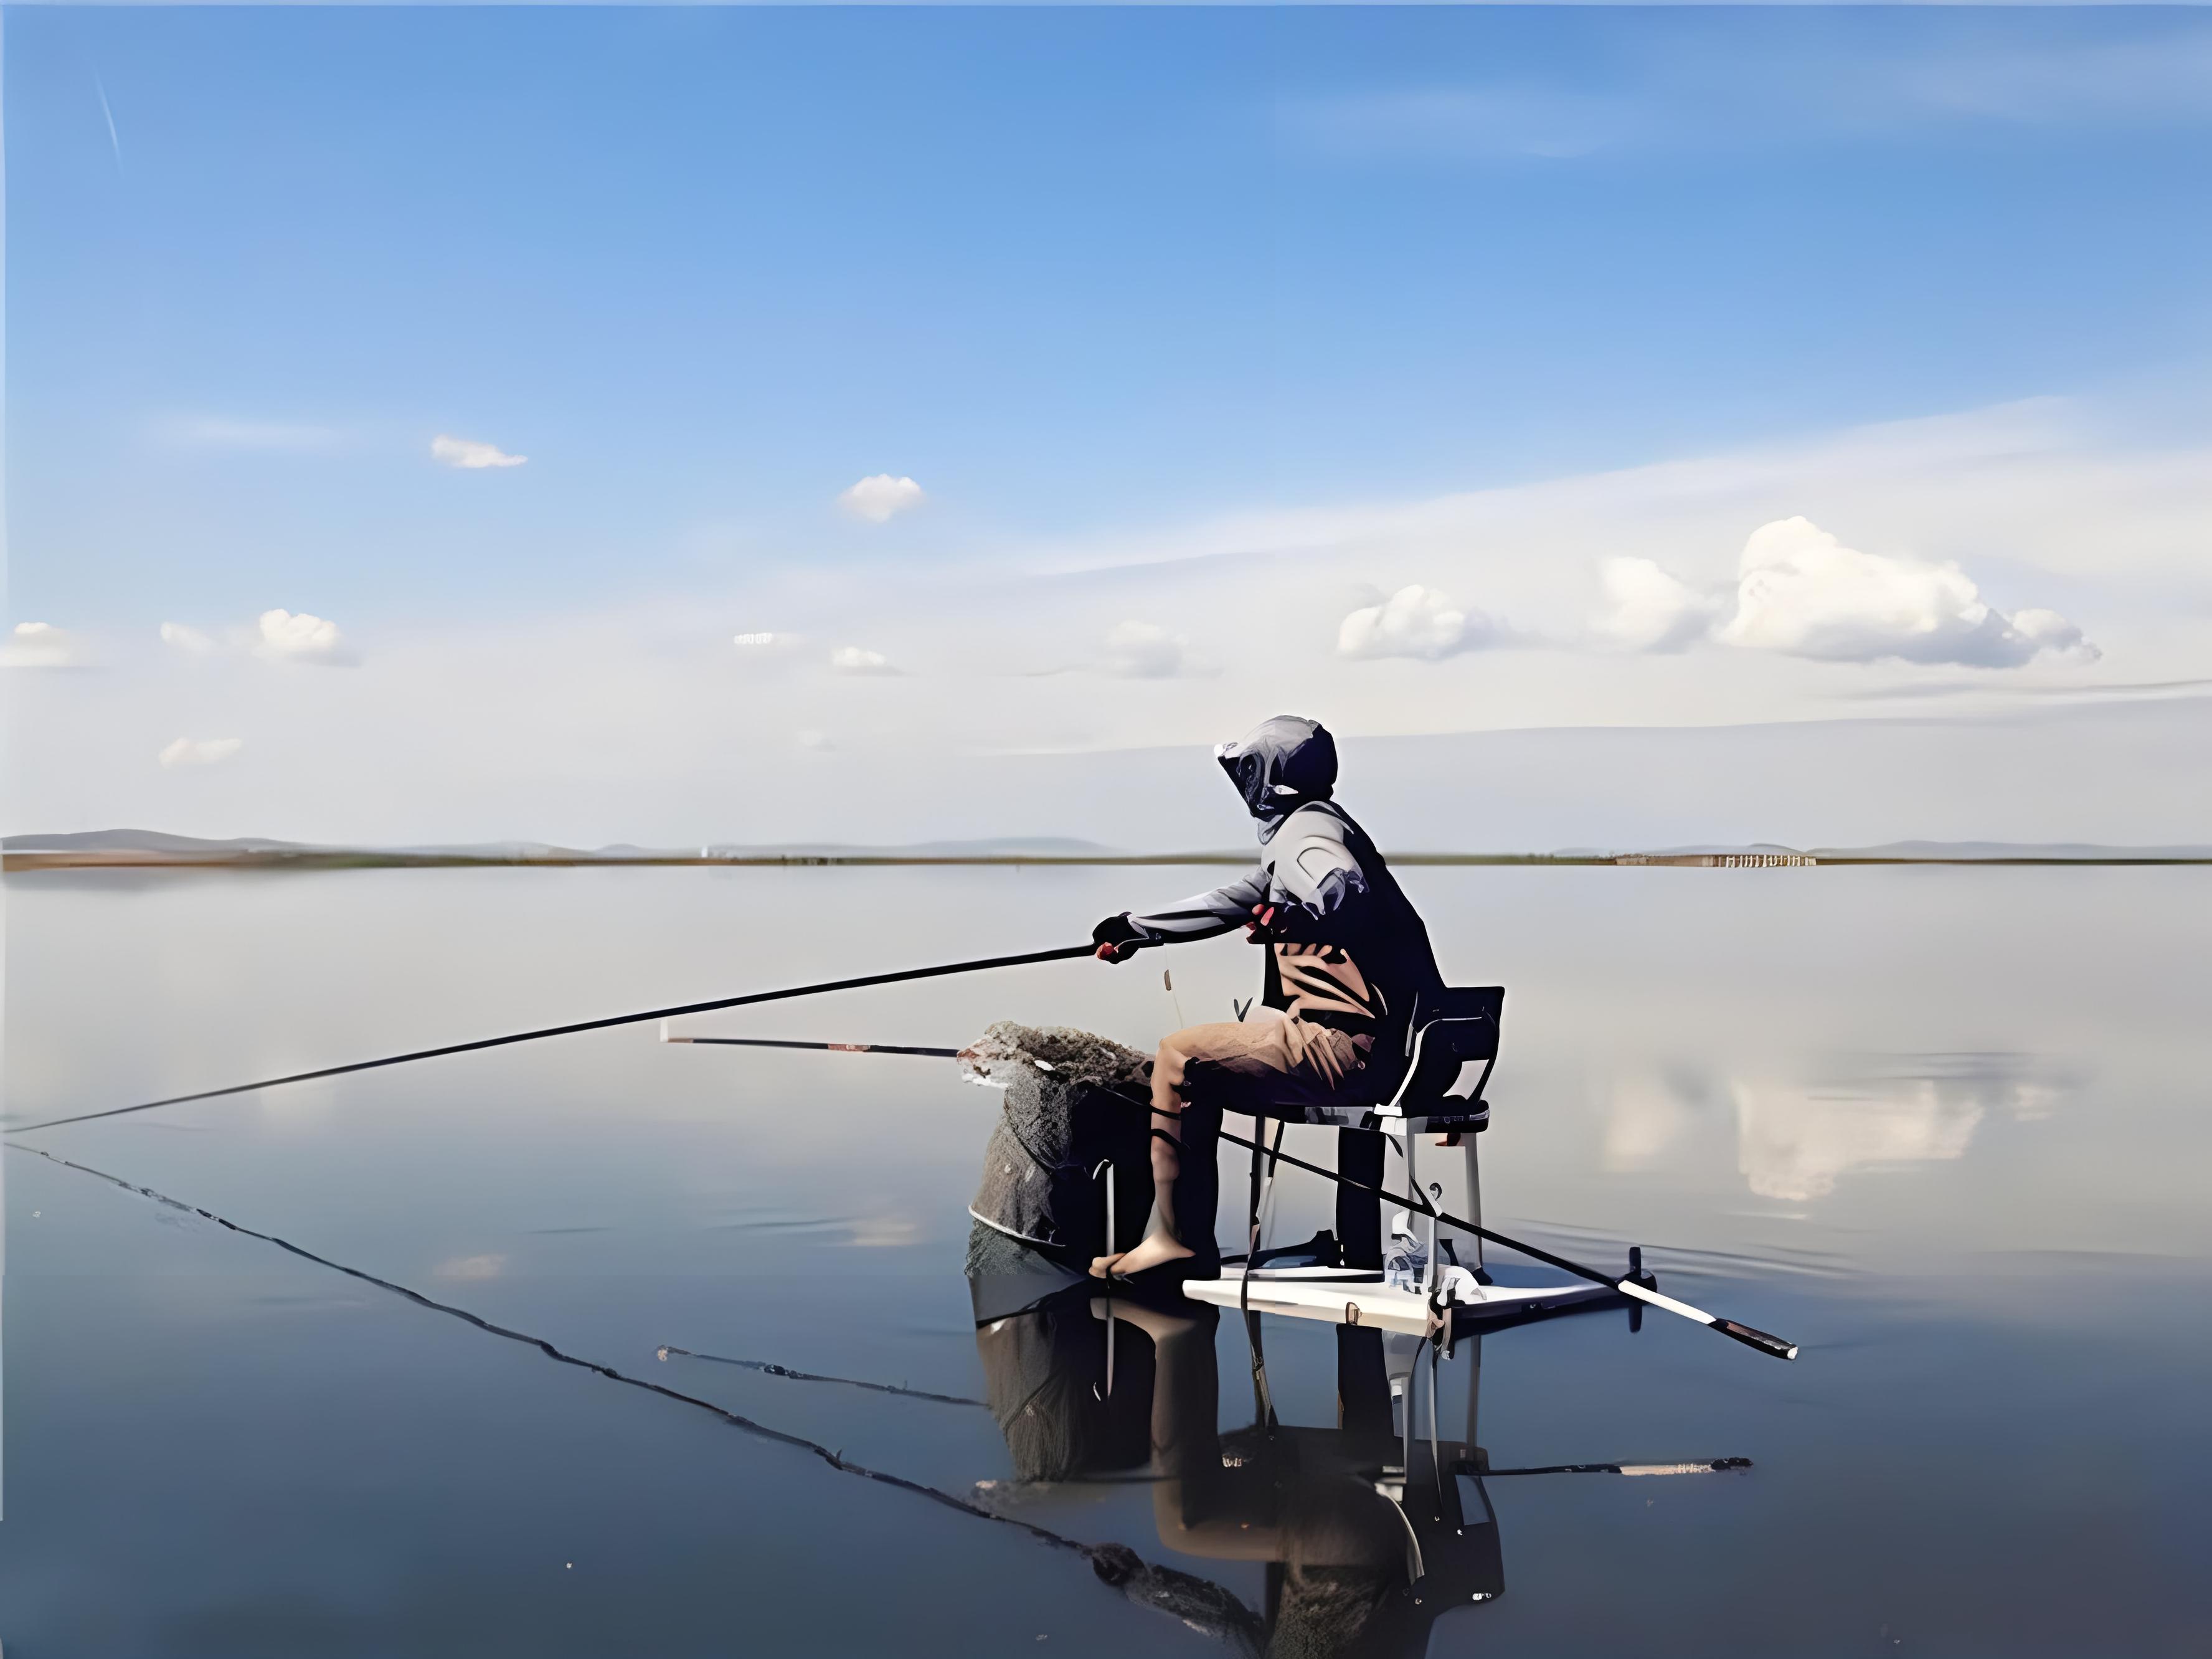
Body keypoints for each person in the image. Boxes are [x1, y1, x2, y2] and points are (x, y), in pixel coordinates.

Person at [1089, 715, 1444, 1279]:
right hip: (1400, 1048)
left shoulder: (1308, 835)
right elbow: (1228, 902)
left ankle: (1176, 1244)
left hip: (1352, 1048)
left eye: (1247, 770)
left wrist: (1293, 915)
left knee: (1178, 1056)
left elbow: (1339, 888)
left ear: (1268, 776)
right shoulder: (1319, 827)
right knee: (1203, 1066)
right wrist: (1136, 928)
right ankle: (1356, 1247)